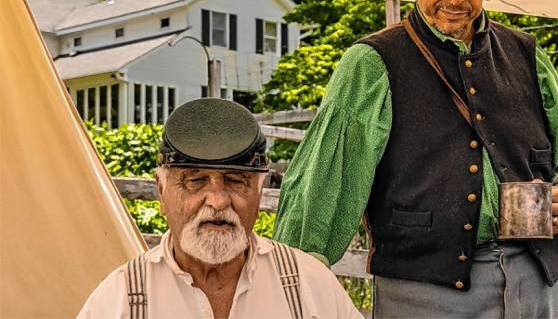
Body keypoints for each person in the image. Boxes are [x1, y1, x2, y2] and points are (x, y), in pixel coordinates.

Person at [274, 0, 558, 319]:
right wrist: (289, 288)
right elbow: (322, 191)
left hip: (539, 285)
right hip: (425, 293)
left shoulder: (527, 56)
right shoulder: (371, 64)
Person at [78, 98, 362, 319]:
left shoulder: (309, 285)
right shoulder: (120, 300)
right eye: (196, 180)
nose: (218, 200)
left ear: (259, 191)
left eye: (235, 181)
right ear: (161, 191)